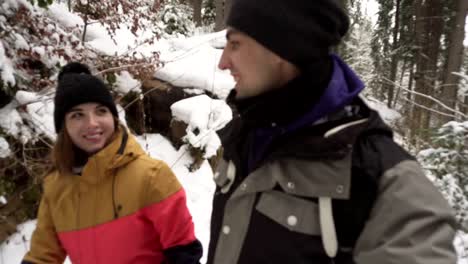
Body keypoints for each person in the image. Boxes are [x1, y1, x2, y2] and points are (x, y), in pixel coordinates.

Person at [207, 0, 458, 264]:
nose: (223, 62)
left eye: (235, 44)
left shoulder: (387, 183)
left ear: (283, 47)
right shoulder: (247, 132)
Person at [22, 62, 202, 264]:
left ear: (113, 117)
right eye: (77, 115)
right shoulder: (56, 188)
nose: (92, 123)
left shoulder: (151, 176)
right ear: (63, 126)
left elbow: (184, 253)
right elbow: (41, 257)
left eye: (100, 111)